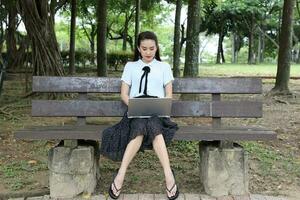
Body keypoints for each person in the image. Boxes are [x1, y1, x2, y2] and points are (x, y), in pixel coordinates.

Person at [100, 31, 179, 200]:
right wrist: (136, 105)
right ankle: (167, 176)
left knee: (151, 125)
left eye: (152, 48)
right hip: (135, 109)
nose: (148, 52)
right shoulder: (130, 66)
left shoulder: (164, 67)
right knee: (142, 125)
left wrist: (156, 107)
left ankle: (122, 175)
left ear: (156, 48)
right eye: (144, 48)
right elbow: (124, 95)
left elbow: (168, 95)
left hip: (156, 111)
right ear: (138, 48)